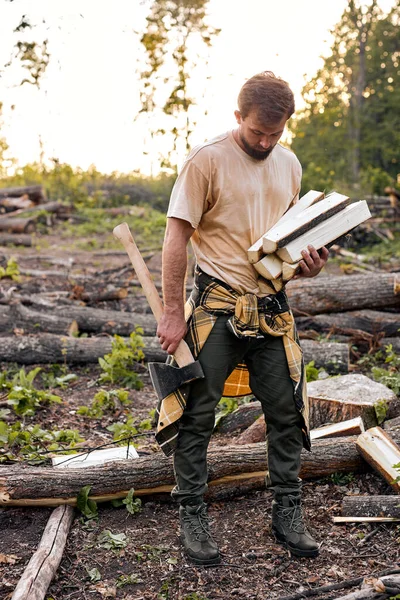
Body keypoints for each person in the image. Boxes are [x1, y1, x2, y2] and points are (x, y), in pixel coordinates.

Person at [156, 71, 329, 566]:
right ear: (238, 117)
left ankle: (287, 512)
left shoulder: (289, 163)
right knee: (198, 413)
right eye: (258, 132)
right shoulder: (205, 160)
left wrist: (310, 262)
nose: (267, 141)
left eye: (276, 134)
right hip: (217, 308)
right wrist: (172, 311)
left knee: (286, 411)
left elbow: (289, 238)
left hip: (273, 311)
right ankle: (192, 513)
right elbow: (176, 238)